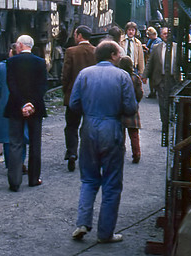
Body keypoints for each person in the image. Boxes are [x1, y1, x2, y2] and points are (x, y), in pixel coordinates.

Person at [69, 40, 137, 244]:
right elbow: (131, 107)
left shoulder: (84, 74)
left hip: (89, 127)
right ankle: (105, 233)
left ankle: (82, 223)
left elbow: (73, 104)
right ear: (113, 55)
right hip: (111, 128)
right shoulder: (122, 76)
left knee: (88, 179)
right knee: (112, 183)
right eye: (118, 53)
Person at [4, 34, 47, 192]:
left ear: (20, 45)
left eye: (16, 44)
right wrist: (32, 104)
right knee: (35, 144)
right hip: (36, 108)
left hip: (16, 107)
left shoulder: (11, 62)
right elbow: (42, 87)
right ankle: (34, 179)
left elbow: (11, 85)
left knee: (15, 143)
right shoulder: (40, 62)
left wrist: (22, 104)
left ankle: (14, 182)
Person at [61, 25, 96, 172]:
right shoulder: (96, 51)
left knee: (71, 126)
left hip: (74, 96)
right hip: (92, 97)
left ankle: (72, 153)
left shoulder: (71, 51)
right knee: (89, 126)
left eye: (75, 34)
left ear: (80, 35)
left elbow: (66, 75)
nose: (74, 37)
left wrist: (66, 91)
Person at [0, 44, 26, 170]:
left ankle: (10, 164)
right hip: (22, 104)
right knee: (22, 135)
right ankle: (20, 162)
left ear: (11, 52)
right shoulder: (26, 65)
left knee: (7, 136)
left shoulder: (2, 66)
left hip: (5, 105)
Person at [147, 27, 180, 137]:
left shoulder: (177, 48)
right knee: (163, 104)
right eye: (164, 34)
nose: (166, 35)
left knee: (173, 103)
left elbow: (182, 62)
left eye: (168, 33)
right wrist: (144, 76)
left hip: (173, 79)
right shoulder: (156, 48)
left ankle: (172, 122)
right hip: (161, 79)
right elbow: (150, 62)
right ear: (161, 35)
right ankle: (165, 124)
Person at [118, 55, 144, 163]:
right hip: (132, 108)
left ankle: (120, 153)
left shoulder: (118, 77)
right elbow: (140, 93)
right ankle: (136, 153)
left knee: (120, 133)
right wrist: (136, 102)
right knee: (134, 134)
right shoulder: (135, 78)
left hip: (120, 108)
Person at [143, 26, 160, 98]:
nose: (148, 36)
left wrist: (147, 49)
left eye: (149, 35)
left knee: (154, 77)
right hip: (149, 59)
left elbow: (156, 51)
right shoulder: (150, 40)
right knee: (150, 76)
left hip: (155, 61)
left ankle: (155, 91)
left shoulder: (158, 41)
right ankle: (152, 91)